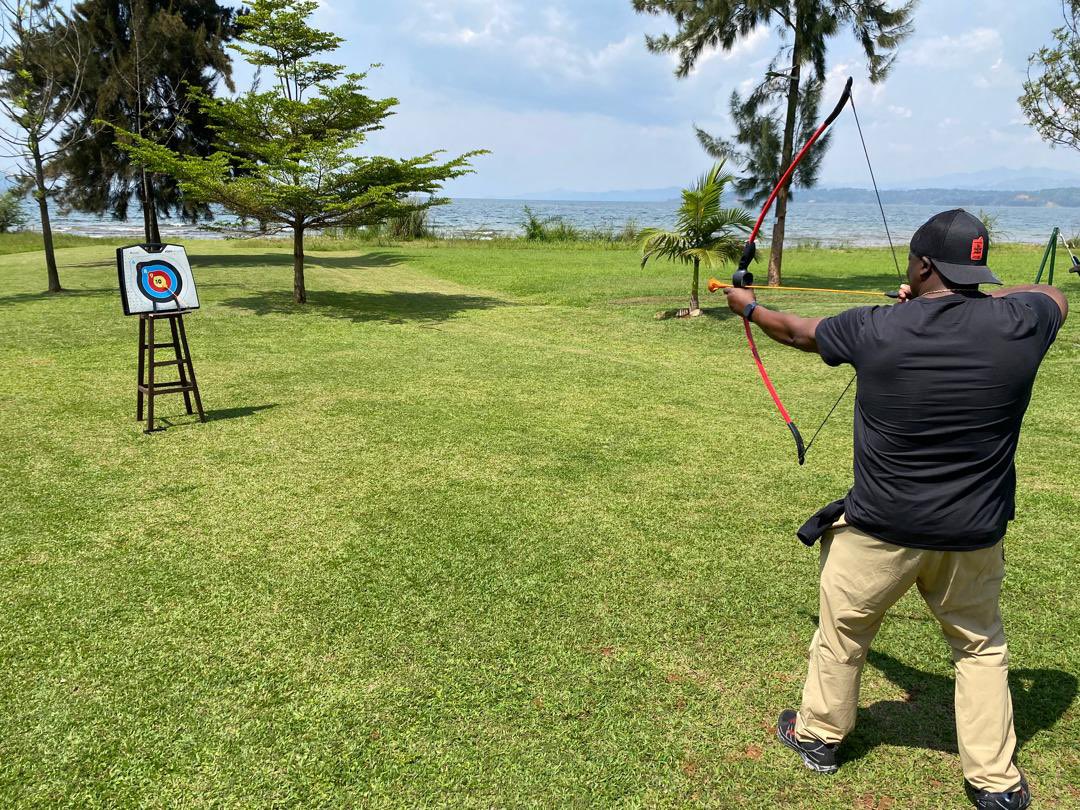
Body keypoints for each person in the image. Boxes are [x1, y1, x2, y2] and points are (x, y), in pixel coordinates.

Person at [721, 209, 1067, 810]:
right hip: (973, 533)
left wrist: (745, 306)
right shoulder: (1020, 322)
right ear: (976, 267)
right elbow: (1052, 292)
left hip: (880, 529)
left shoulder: (878, 328)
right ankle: (995, 782)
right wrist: (966, 293)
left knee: (843, 634)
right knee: (980, 647)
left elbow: (797, 330)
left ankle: (819, 736)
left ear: (924, 264)